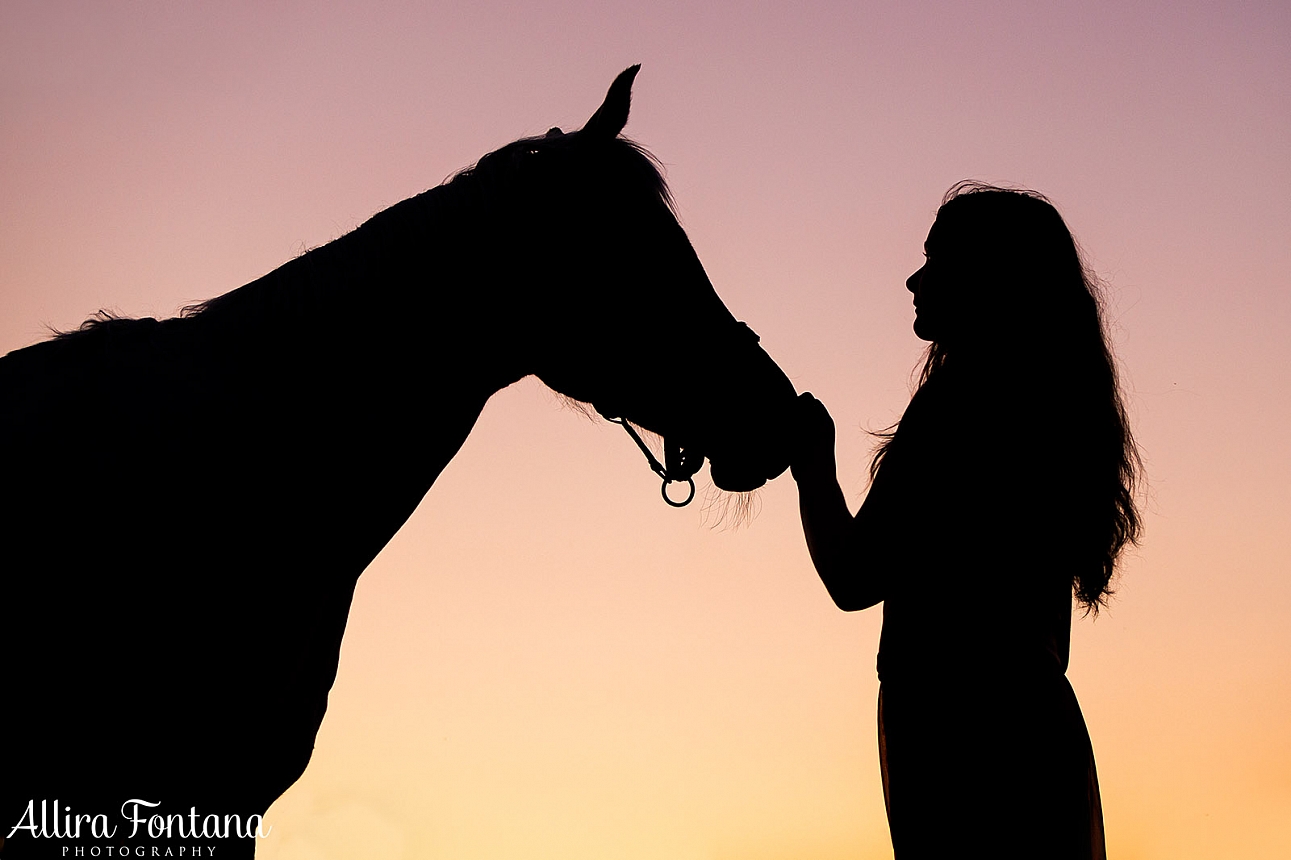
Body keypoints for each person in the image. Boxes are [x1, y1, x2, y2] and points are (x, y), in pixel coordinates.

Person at [790, 182, 1141, 859]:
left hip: (955, 736)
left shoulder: (957, 408)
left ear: (988, 279)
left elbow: (854, 577)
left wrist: (813, 468)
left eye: (937, 260)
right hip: (1034, 727)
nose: (914, 278)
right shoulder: (1051, 413)